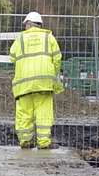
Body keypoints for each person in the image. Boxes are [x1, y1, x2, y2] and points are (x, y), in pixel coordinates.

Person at [9, 10, 63, 149]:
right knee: (43, 112)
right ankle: (44, 143)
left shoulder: (19, 39)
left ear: (27, 24)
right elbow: (57, 58)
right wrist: (53, 74)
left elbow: (13, 58)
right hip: (44, 83)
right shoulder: (49, 37)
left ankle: (25, 141)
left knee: (24, 113)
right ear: (40, 25)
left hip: (23, 84)